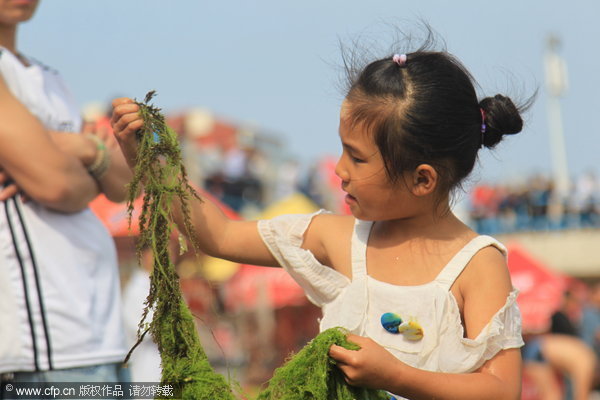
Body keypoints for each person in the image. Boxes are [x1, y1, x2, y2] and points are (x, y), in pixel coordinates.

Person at [111, 32, 528, 399]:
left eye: (358, 159)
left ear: (422, 179)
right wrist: (150, 162)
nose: (339, 170)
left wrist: (397, 376)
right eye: (342, 149)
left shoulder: (477, 265)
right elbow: (218, 235)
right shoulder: (338, 237)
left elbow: (501, 388)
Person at [0, 0, 131, 388]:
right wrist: (90, 155)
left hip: (102, 330)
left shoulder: (49, 77)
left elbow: (125, 185)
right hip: (43, 341)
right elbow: (56, 185)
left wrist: (84, 150)